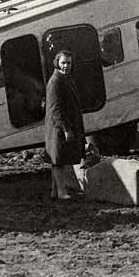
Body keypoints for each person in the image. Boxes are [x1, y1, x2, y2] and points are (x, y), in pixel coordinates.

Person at [44, 50, 87, 200]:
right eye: (63, 63)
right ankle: (61, 192)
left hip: (61, 126)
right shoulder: (55, 81)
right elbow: (55, 110)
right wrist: (66, 129)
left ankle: (55, 192)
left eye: (69, 63)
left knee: (58, 158)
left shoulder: (65, 79)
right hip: (58, 127)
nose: (66, 66)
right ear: (57, 63)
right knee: (58, 160)